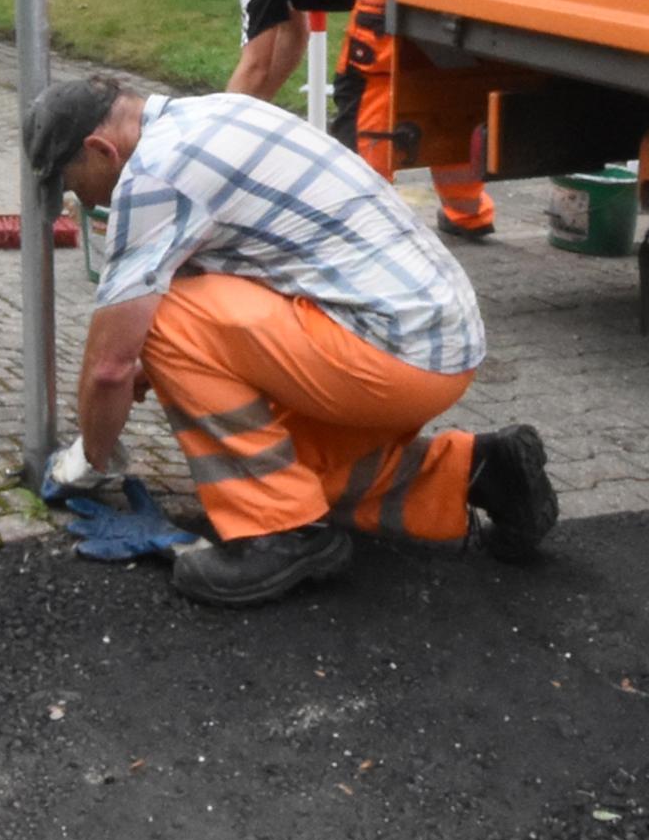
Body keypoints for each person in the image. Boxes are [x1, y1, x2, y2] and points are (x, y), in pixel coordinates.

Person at [28, 74, 554, 608]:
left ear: (100, 149)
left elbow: (109, 366)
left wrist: (89, 462)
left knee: (163, 317)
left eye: (74, 185)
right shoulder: (214, 115)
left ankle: (276, 531)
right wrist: (169, 368)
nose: (82, 200)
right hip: (435, 344)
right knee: (288, 468)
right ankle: (483, 472)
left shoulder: (154, 176)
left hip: (387, 352)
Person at [182, 0, 492, 237]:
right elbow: (290, 36)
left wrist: (216, 141)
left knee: (360, 101)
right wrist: (256, 114)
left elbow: (254, 64)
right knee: (440, 94)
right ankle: (467, 214)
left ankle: (359, 228)